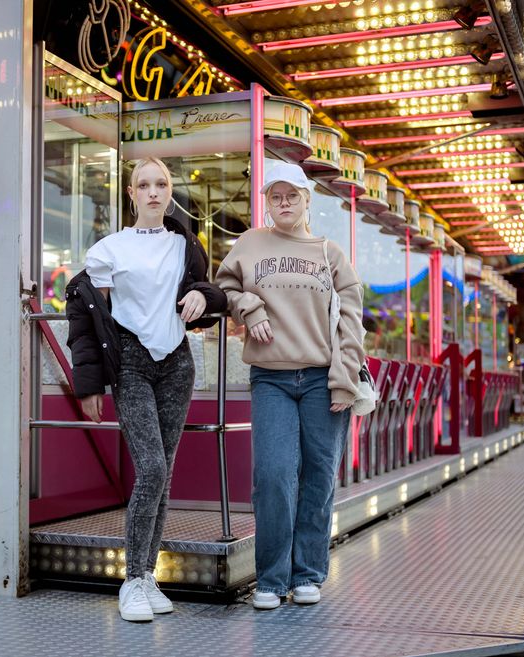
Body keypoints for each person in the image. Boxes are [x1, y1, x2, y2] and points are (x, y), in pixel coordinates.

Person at [65, 157, 227, 622]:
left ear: (170, 191)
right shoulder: (109, 250)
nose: (153, 192)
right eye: (144, 185)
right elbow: (85, 319)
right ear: (131, 193)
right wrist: (89, 386)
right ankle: (132, 579)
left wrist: (202, 295)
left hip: (178, 363)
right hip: (132, 362)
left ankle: (148, 575)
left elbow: (213, 294)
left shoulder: (185, 245)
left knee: (164, 473)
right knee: (152, 468)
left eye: (161, 184)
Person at [215, 161, 365, 610]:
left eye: (291, 196)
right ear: (266, 201)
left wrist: (345, 380)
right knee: (273, 475)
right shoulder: (249, 244)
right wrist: (250, 306)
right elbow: (224, 289)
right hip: (270, 378)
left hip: (322, 379)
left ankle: (307, 574)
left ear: (306, 199)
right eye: (275, 196)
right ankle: (271, 578)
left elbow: (351, 324)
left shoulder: (330, 253)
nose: (283, 203)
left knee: (318, 477)